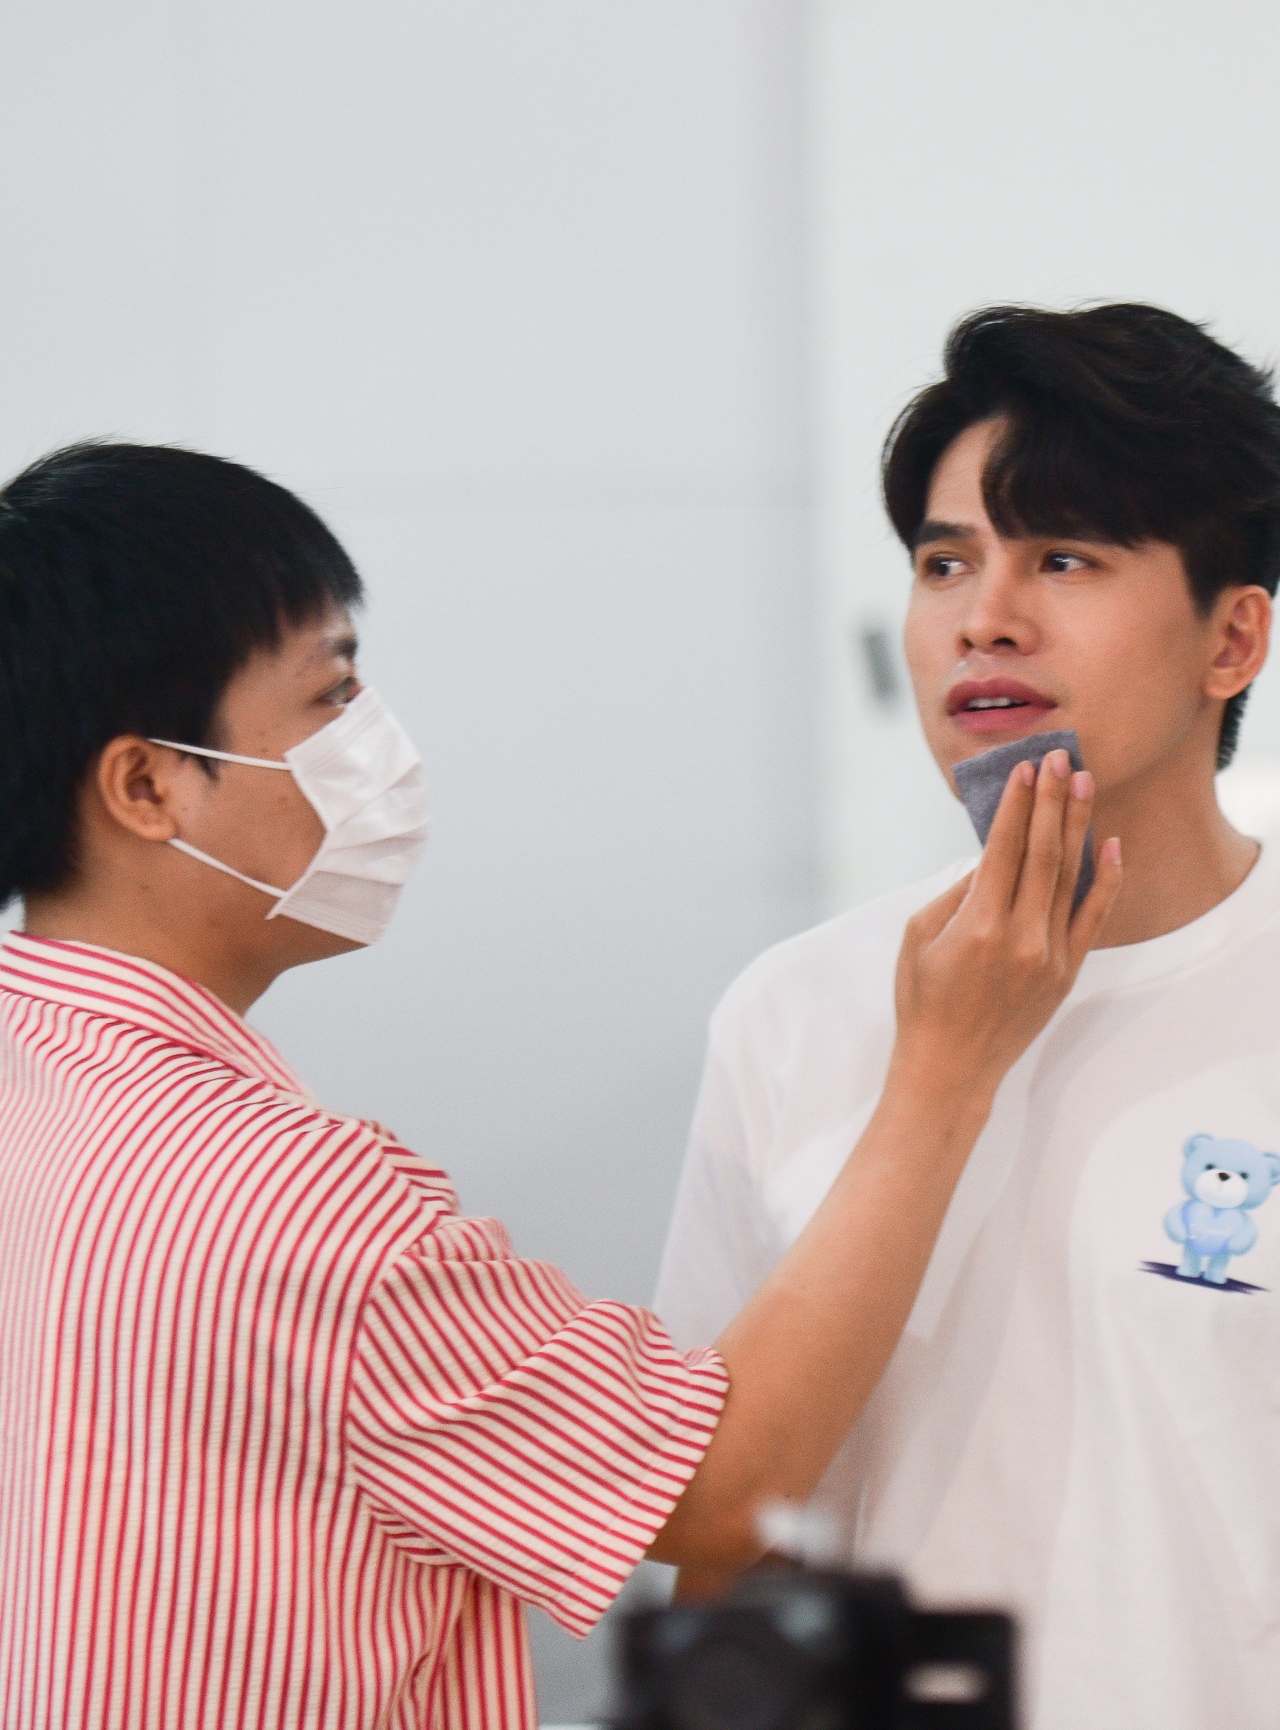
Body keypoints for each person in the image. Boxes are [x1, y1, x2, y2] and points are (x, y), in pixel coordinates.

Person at [0, 441, 1114, 1730]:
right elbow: (715, 1491)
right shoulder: (281, 1199)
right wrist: (944, 1070)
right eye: (329, 698)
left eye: (1065, 559)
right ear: (147, 787)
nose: (378, 748)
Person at [655, 302, 1280, 1730]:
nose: (983, 617)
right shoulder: (792, 1011)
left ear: (1231, 638)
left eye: (1064, 557)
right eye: (946, 562)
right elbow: (725, 1523)